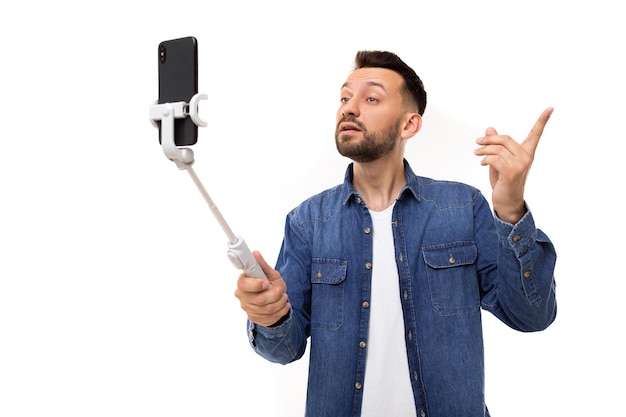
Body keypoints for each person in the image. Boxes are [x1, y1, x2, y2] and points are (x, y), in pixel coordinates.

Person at [234, 50, 557, 417]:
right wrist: (269, 316)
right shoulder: (308, 221)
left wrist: (512, 207)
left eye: (370, 98)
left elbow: (532, 316)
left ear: (409, 125)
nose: (348, 109)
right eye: (344, 98)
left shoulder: (462, 207)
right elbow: (283, 349)